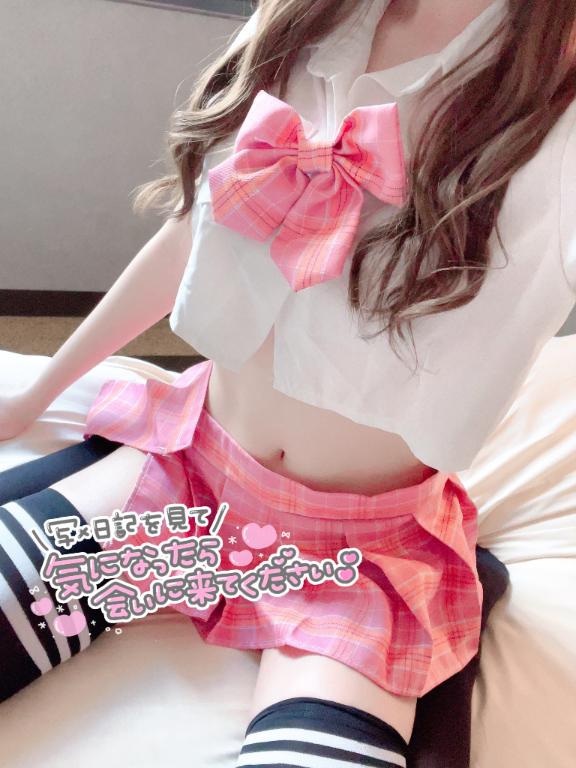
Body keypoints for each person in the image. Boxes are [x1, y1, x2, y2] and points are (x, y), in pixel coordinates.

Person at [1, 0, 575, 765]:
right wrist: (36, 395)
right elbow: (198, 227)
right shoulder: (303, 17)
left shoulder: (558, 108)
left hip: (361, 559)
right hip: (185, 475)